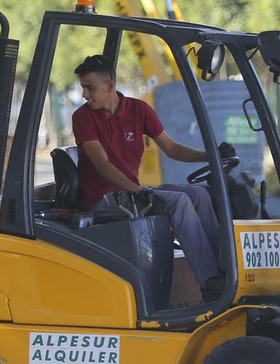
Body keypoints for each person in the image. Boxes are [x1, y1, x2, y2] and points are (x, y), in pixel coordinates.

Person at [71, 54, 234, 301]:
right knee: (178, 202)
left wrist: (211, 156)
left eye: (90, 88)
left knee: (199, 194)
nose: (85, 94)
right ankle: (210, 282)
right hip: (103, 198)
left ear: (109, 85)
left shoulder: (138, 110)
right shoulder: (83, 118)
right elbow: (103, 166)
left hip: (130, 192)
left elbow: (172, 149)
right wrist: (137, 191)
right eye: (83, 88)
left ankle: (226, 269)